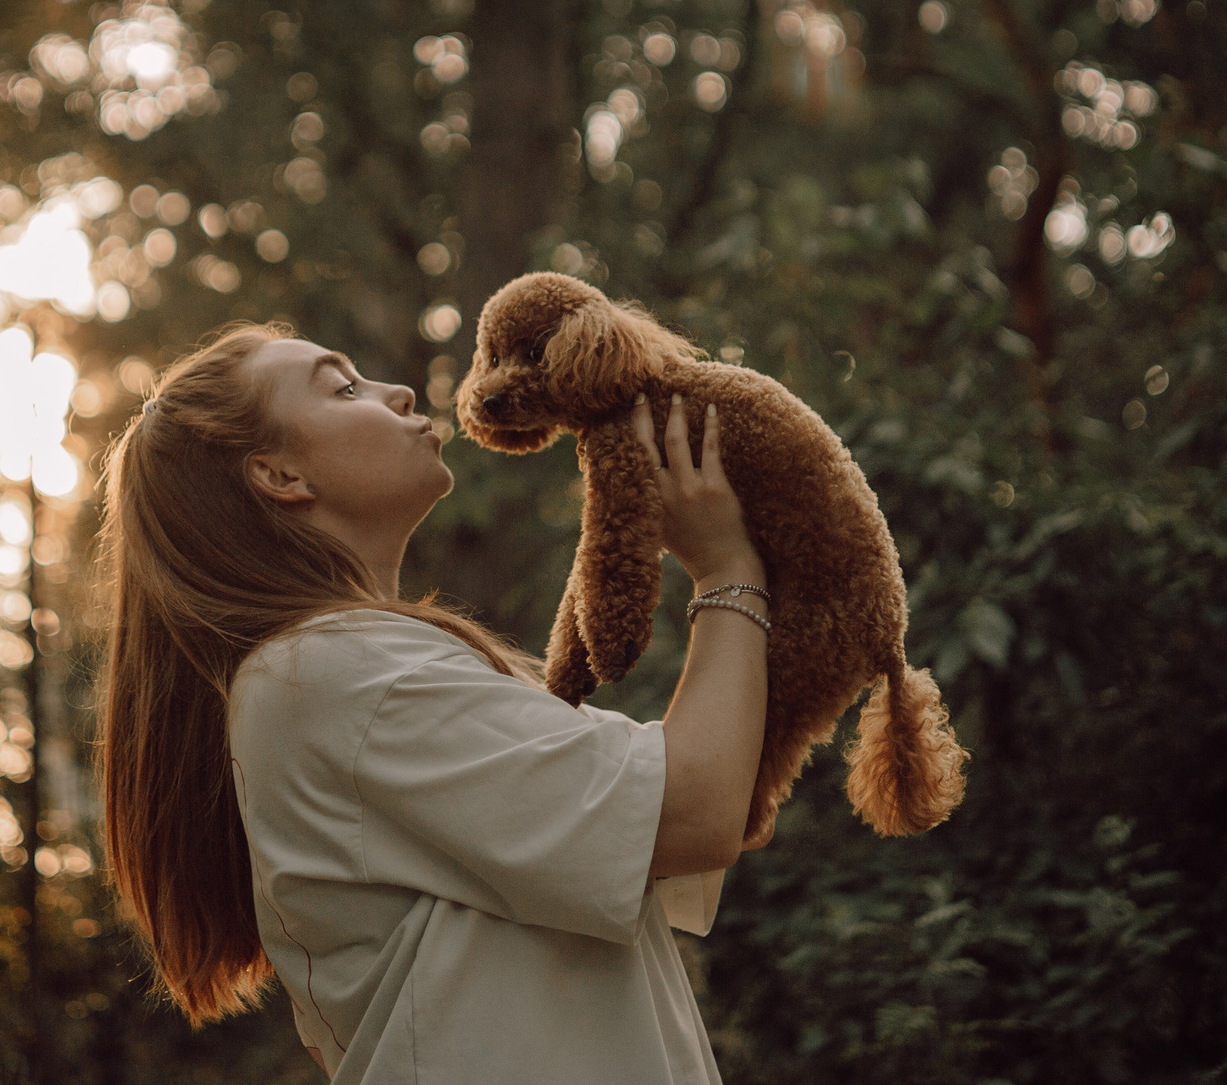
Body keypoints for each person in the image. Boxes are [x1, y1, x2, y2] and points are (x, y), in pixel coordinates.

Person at [98, 322, 769, 1084]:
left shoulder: (349, 669)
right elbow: (689, 808)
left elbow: (692, 790)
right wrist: (726, 568)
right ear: (279, 473)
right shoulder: (332, 674)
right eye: (344, 387)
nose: (400, 392)